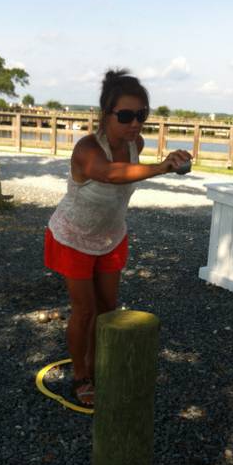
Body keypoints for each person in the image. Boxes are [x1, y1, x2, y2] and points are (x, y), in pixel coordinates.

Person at [44, 69, 192, 407]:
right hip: (73, 237)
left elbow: (128, 170)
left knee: (108, 308)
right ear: (105, 114)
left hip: (111, 236)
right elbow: (110, 174)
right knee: (84, 310)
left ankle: (100, 364)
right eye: (125, 116)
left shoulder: (135, 144)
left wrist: (168, 163)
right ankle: (80, 376)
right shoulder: (87, 149)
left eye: (141, 115)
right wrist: (162, 167)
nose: (135, 123)